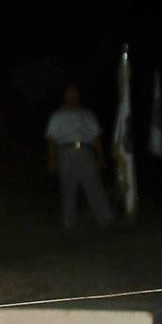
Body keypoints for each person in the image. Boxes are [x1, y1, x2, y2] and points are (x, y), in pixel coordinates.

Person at [46, 84, 114, 228]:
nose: (71, 96)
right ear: (64, 95)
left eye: (74, 93)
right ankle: (68, 223)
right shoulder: (57, 115)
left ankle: (105, 220)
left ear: (78, 95)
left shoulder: (87, 114)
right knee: (68, 188)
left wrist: (101, 157)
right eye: (69, 93)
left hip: (85, 151)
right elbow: (52, 140)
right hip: (65, 152)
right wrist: (52, 160)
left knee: (94, 186)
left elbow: (96, 138)